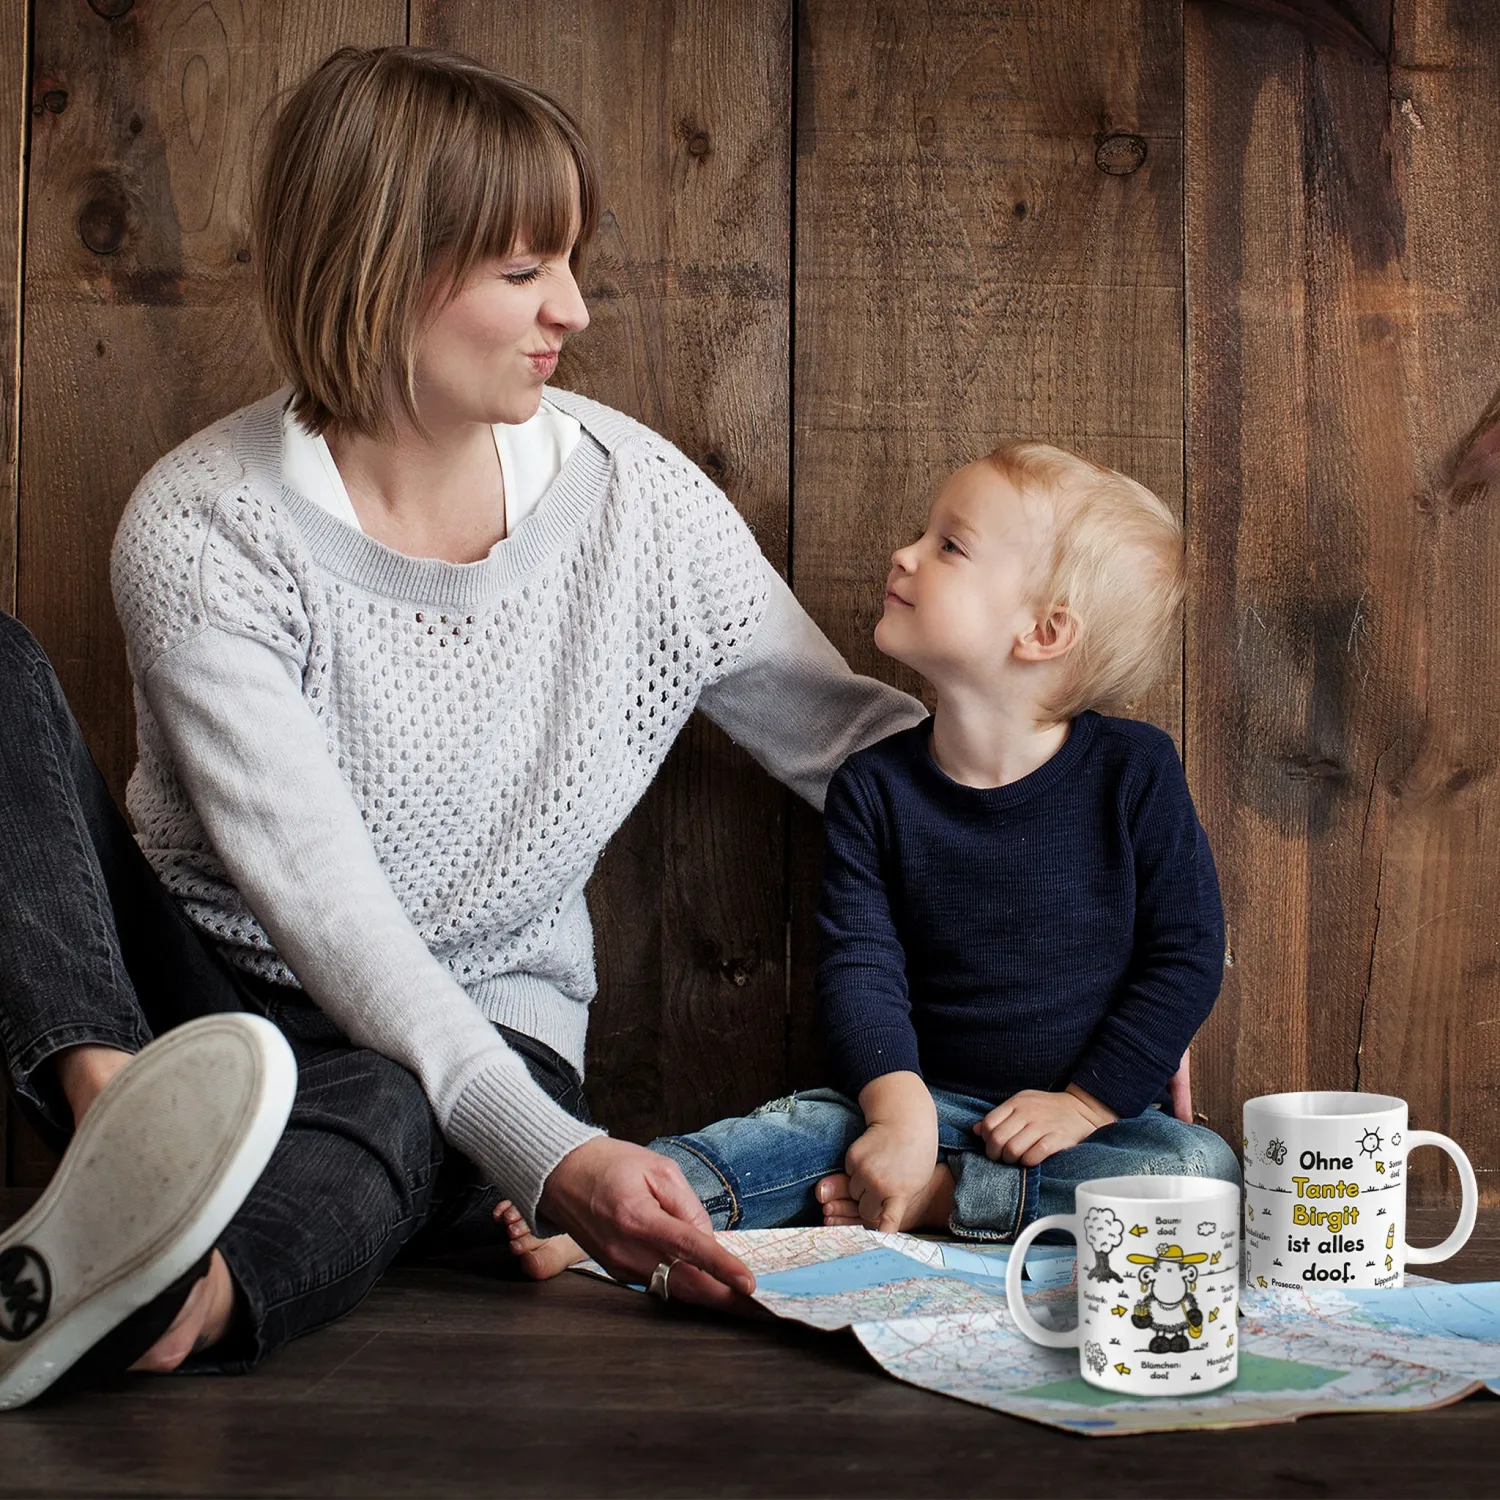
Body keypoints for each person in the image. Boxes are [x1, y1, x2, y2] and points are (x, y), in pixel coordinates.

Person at [0, 44, 930, 1407]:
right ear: (385, 269)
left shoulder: (642, 511)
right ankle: (121, 1146)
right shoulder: (204, 526)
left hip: (469, 1036)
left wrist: (1097, 895)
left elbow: (852, 745)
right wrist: (550, 1162)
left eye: (568, 262)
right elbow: (325, 907)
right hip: (185, 997)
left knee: (397, 1092)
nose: (574, 309)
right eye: (522, 270)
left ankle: (184, 1291)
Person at [503, 441, 1238, 1278]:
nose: (906, 553)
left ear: (1043, 631)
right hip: (919, 1098)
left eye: (949, 546)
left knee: (1195, 1172)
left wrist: (1086, 1103)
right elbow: (861, 966)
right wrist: (897, 1113)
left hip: (1086, 1127)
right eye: (925, 534)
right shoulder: (876, 789)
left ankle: (946, 1201)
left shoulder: (1134, 773)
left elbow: (1184, 953)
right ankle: (614, 1214)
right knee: (788, 1136)